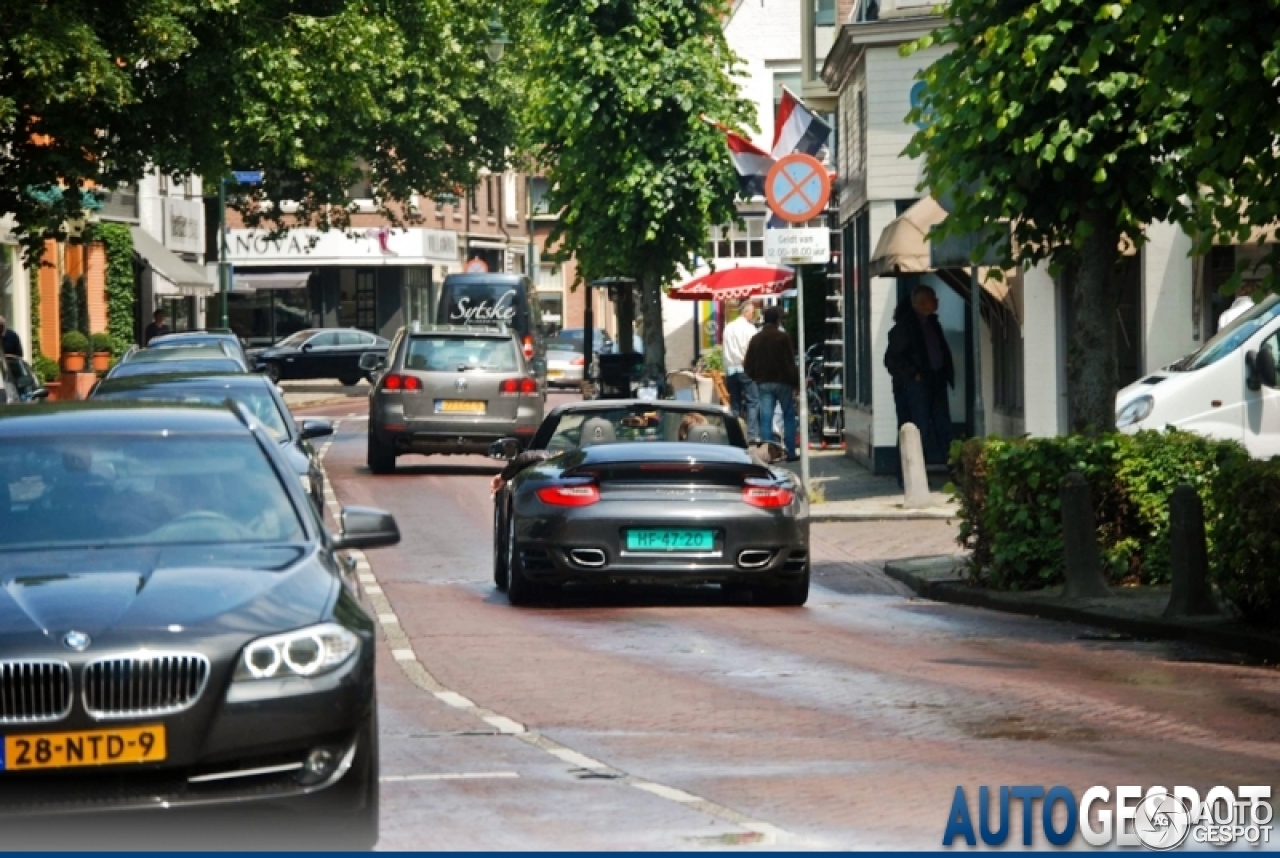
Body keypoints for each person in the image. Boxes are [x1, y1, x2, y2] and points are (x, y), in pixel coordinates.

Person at [885, 285, 954, 472]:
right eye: (933, 299)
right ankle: (908, 475)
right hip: (915, 386)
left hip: (936, 381)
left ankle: (954, 469)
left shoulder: (933, 323)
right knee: (916, 428)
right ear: (921, 303)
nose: (937, 302)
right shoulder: (905, 327)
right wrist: (913, 374)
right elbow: (892, 359)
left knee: (943, 426)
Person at [744, 307, 800, 462]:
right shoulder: (783, 338)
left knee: (766, 419)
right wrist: (796, 383)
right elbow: (790, 363)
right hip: (782, 382)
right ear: (777, 320)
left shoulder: (756, 339)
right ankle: (791, 452)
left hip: (764, 383)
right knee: (788, 415)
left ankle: (768, 454)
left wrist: (756, 377)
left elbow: (747, 364)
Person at [720, 300, 761, 442]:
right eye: (753, 312)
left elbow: (725, 350)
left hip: (731, 370)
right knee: (753, 401)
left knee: (735, 403)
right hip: (745, 368)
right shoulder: (750, 329)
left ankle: (734, 435)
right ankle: (752, 435)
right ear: (747, 312)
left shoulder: (728, 328)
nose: (753, 315)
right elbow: (754, 350)